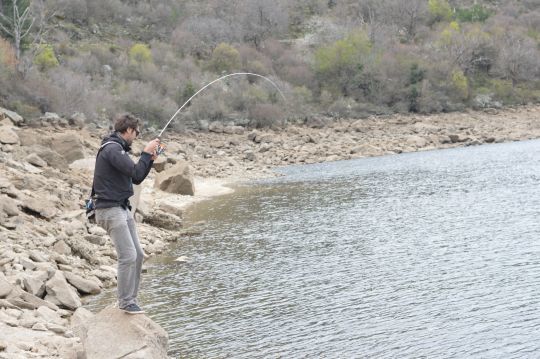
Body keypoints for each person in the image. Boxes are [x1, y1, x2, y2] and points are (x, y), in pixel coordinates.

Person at [93, 113, 160, 314]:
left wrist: (149, 159)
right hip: (109, 210)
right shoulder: (113, 149)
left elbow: (137, 177)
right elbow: (135, 171)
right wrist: (146, 154)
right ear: (129, 130)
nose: (137, 136)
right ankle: (124, 302)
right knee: (128, 255)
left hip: (121, 208)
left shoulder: (119, 150)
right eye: (137, 132)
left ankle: (131, 298)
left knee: (138, 255)